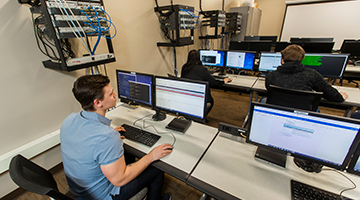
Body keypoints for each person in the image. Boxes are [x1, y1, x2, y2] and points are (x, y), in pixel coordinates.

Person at [60, 74, 173, 200]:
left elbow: (87, 141)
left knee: (127, 154)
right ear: (97, 102)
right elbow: (120, 180)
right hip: (102, 196)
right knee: (156, 170)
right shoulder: (106, 136)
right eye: (110, 93)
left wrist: (110, 135)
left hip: (79, 189)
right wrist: (151, 156)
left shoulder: (69, 120)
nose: (115, 95)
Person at [265, 44, 348, 103]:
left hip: (277, 108)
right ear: (302, 58)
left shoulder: (271, 75)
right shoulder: (312, 74)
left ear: (282, 59)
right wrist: (340, 97)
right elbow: (329, 93)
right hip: (303, 111)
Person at [181, 50, 231, 116]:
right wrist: (223, 81)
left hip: (187, 96)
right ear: (199, 58)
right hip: (199, 98)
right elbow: (213, 82)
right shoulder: (201, 69)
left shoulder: (184, 67)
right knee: (211, 101)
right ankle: (201, 117)